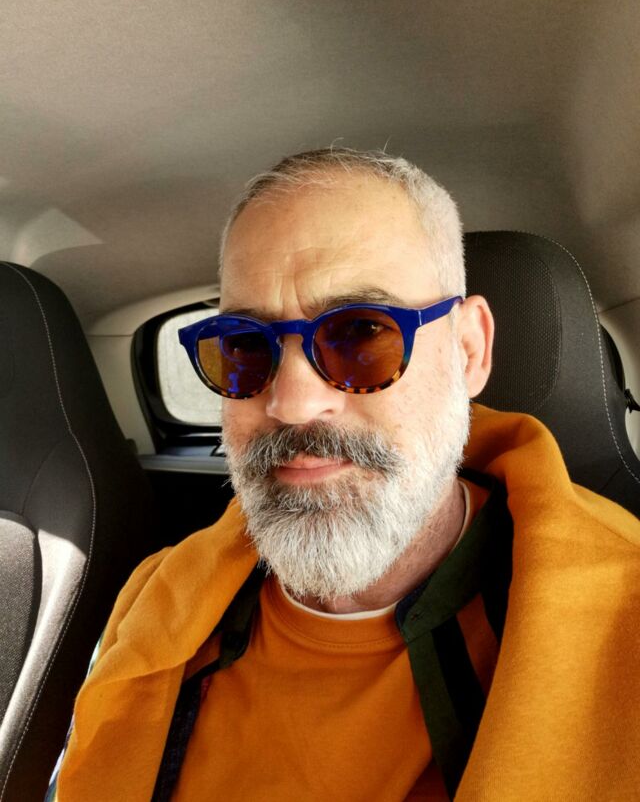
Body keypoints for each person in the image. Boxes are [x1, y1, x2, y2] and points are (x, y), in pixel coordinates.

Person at [51, 148, 640, 801]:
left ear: (469, 350)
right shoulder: (152, 601)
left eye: (363, 332)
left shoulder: (625, 620)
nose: (291, 403)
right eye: (245, 344)